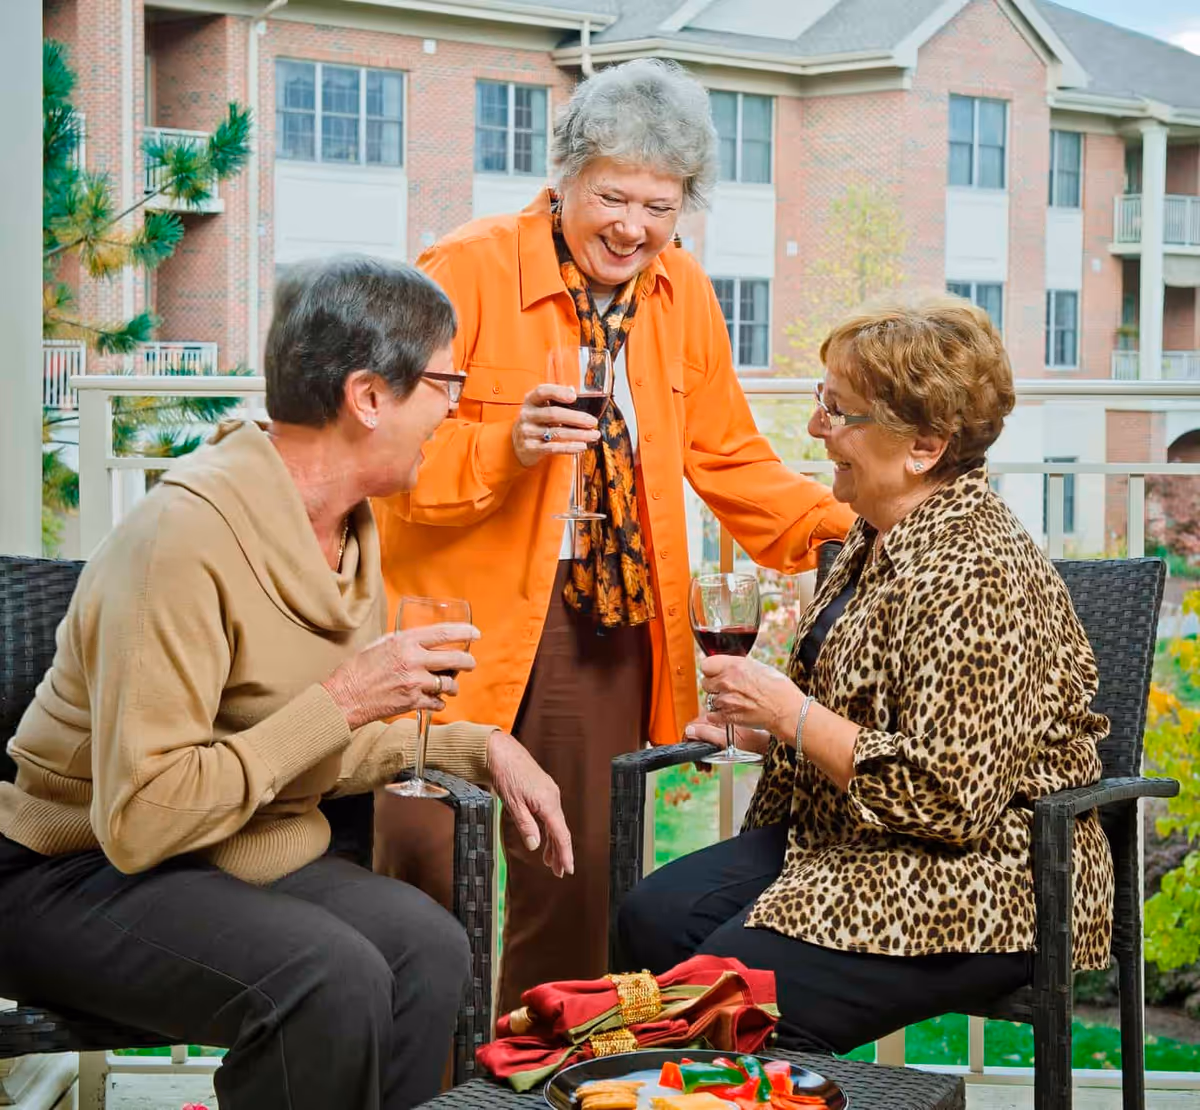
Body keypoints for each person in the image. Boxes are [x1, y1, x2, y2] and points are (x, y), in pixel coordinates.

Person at [0, 258, 572, 1110]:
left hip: (228, 847)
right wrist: (344, 697)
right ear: (368, 396)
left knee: (429, 948)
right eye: (445, 382)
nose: (454, 410)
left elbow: (299, 743)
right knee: (327, 978)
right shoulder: (181, 539)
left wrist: (478, 745)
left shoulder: (348, 531)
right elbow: (142, 817)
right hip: (75, 868)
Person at [373, 58, 854, 1013]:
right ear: (565, 178)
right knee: (423, 870)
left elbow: (732, 462)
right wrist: (506, 446)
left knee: (573, 872)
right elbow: (384, 447)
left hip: (600, 620)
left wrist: (860, 530)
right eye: (613, 195)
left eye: (662, 206)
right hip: (449, 619)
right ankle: (416, 1081)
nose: (634, 226)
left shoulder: (681, 294)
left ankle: (535, 1069)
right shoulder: (463, 269)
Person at [615, 295, 1115, 1054]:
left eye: (840, 412)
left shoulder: (975, 569)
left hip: (985, 877)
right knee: (650, 918)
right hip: (852, 838)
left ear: (924, 445)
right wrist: (768, 732)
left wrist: (794, 718)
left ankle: (737, 1085)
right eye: (825, 402)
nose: (818, 427)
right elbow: (868, 712)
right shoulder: (874, 533)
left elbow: (950, 797)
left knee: (723, 1001)